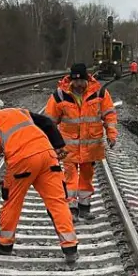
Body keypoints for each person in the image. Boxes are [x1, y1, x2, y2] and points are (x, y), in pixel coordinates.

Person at [0, 98, 77, 264]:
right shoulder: (17, 111)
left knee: (12, 200)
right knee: (57, 202)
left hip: (22, 161)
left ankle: (4, 245)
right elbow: (47, 122)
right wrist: (58, 145)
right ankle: (70, 247)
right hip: (48, 156)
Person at [43, 62, 118, 221]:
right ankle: (71, 209)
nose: (78, 85)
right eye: (75, 81)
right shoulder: (60, 95)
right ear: (71, 80)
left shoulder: (99, 93)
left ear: (87, 79)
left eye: (80, 81)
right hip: (67, 147)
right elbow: (49, 121)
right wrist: (48, 142)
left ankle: (84, 208)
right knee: (69, 177)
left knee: (86, 177)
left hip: (91, 147)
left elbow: (109, 115)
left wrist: (112, 135)